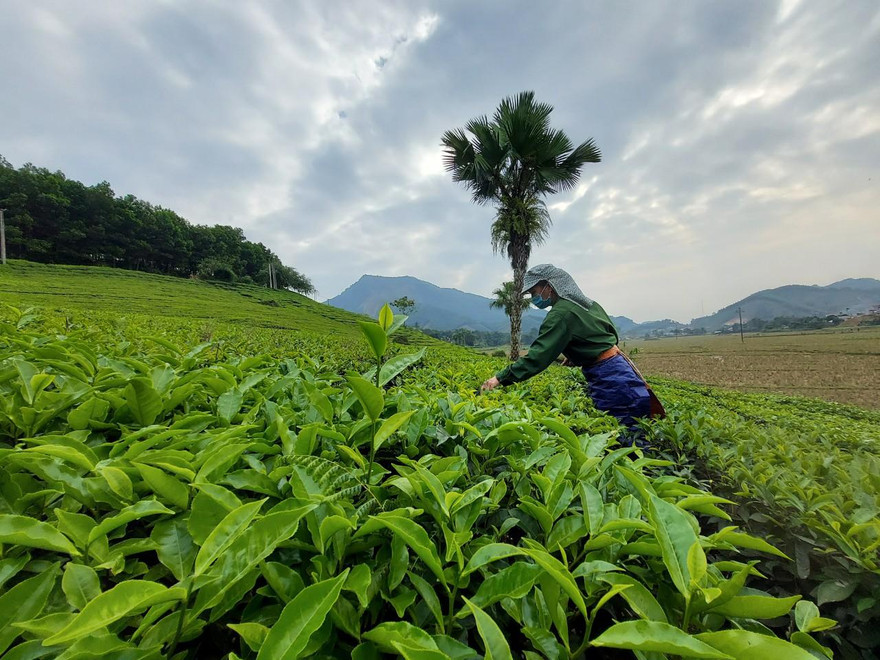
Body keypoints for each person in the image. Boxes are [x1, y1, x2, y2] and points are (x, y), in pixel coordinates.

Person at [481, 263, 664, 446]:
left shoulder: (560, 314)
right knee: (634, 429)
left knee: (623, 436)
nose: (533, 297)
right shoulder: (588, 304)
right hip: (621, 366)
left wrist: (500, 378)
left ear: (549, 287)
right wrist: (578, 353)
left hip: (609, 376)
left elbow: (538, 357)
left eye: (535, 292)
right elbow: (608, 335)